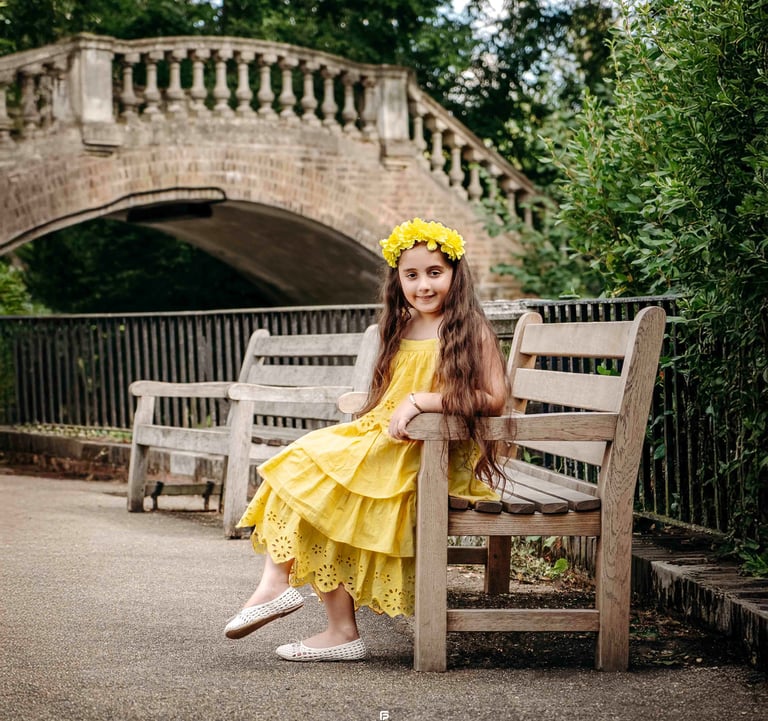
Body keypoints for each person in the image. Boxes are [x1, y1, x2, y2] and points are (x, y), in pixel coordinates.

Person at [224, 217, 508, 662]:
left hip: (429, 451)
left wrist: (423, 400)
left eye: (435, 272)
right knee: (306, 474)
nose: (424, 285)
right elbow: (386, 399)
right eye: (411, 275)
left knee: (313, 474)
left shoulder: (469, 330)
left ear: (456, 274)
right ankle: (317, 614)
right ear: (398, 279)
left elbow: (493, 398)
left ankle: (299, 602)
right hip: (386, 440)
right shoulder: (401, 326)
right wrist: (403, 404)